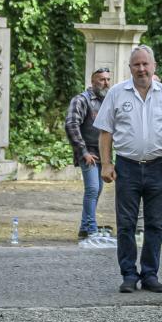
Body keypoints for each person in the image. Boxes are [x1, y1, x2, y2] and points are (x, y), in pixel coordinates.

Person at [94, 45, 162, 294]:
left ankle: (150, 274)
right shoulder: (117, 93)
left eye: (146, 64)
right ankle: (128, 274)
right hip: (126, 167)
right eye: (137, 64)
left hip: (158, 166)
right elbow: (105, 131)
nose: (142, 69)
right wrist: (106, 163)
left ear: (154, 66)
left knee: (155, 224)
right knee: (125, 224)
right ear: (130, 68)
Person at [65, 68, 112, 238]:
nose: (105, 83)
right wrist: (83, 151)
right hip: (88, 151)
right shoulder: (81, 100)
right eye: (101, 79)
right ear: (92, 82)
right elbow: (71, 124)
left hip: (102, 152)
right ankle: (91, 228)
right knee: (92, 188)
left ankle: (85, 227)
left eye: (108, 79)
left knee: (97, 189)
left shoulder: (108, 101)